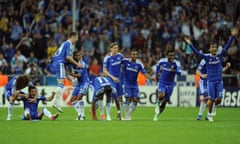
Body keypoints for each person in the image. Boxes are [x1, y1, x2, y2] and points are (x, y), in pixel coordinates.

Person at [184, 27, 238, 122]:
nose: (214, 49)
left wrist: (232, 36)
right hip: (210, 82)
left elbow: (227, 45)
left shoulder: (219, 56)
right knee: (211, 100)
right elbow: (196, 52)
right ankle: (209, 115)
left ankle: (211, 111)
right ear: (209, 50)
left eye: (215, 47)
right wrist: (190, 44)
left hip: (219, 81)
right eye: (212, 48)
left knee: (219, 100)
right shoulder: (206, 57)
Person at [50, 32, 82, 113]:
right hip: (60, 62)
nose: (77, 40)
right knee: (61, 83)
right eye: (76, 38)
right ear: (73, 37)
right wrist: (77, 63)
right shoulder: (68, 44)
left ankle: (56, 101)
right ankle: (56, 103)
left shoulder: (64, 44)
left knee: (62, 82)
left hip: (57, 62)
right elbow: (68, 57)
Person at [122, 49, 154, 120]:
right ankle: (127, 115)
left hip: (134, 84)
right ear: (130, 55)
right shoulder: (125, 61)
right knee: (128, 99)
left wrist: (150, 78)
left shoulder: (139, 64)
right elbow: (117, 62)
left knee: (136, 99)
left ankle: (128, 113)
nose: (134, 56)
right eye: (133, 54)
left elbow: (144, 73)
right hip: (127, 83)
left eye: (135, 54)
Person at [153, 50, 182, 121]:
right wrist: (157, 75)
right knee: (161, 95)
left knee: (164, 102)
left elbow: (180, 73)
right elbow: (157, 66)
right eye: (170, 55)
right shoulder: (162, 61)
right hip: (162, 82)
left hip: (171, 84)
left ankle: (157, 115)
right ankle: (157, 102)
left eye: (173, 55)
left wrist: (174, 71)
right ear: (167, 56)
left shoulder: (177, 63)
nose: (172, 57)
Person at [103, 42, 124, 120]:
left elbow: (124, 64)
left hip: (119, 80)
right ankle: (108, 115)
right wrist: (112, 77)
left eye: (117, 48)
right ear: (111, 49)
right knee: (111, 95)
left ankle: (119, 113)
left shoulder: (120, 56)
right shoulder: (107, 58)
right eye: (114, 48)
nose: (116, 49)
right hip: (110, 80)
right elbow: (104, 70)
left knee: (120, 97)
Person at [67, 51, 90, 120]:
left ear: (81, 56)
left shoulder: (82, 64)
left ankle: (81, 115)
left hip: (85, 82)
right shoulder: (74, 63)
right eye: (76, 56)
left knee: (79, 98)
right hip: (79, 83)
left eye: (79, 55)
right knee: (72, 100)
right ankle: (81, 114)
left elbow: (79, 75)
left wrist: (69, 73)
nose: (78, 57)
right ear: (74, 57)